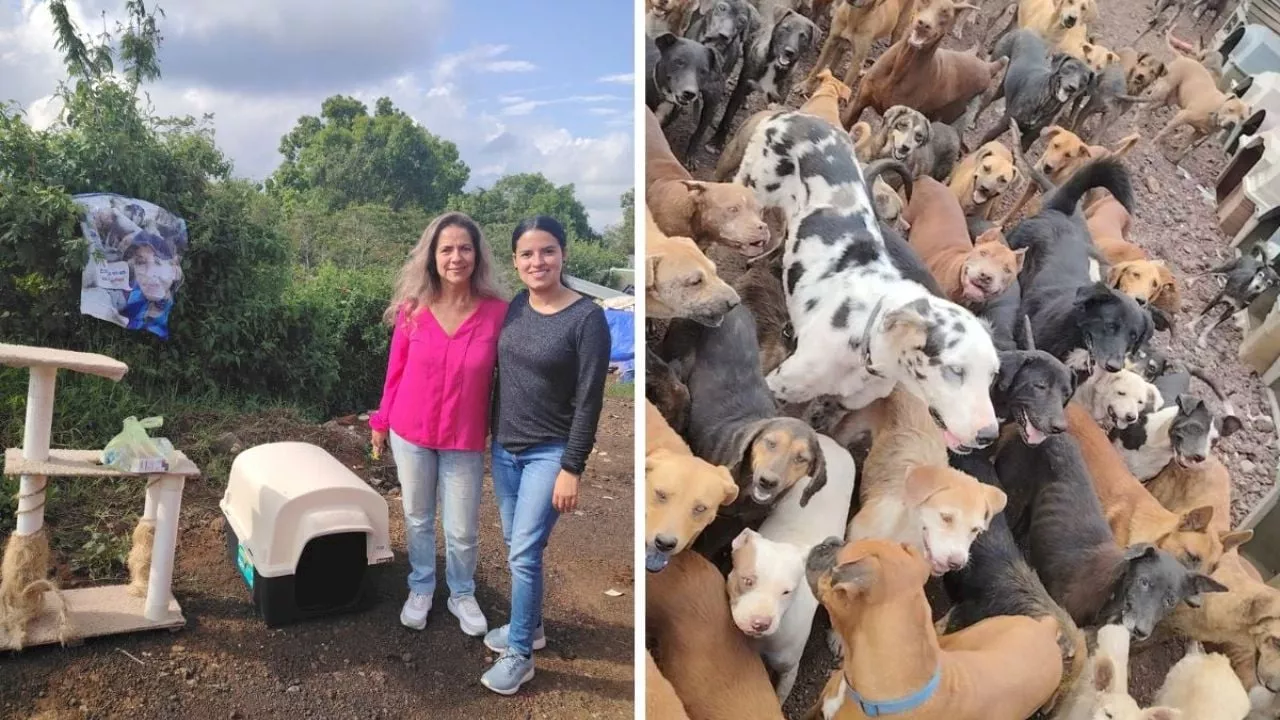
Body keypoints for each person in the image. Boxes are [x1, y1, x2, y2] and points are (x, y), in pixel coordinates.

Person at [480, 216, 612, 695]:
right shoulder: (515, 308)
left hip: (549, 454)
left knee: (522, 553)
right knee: (523, 549)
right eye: (528, 254)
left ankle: (520, 655)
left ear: (563, 254)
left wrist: (571, 468)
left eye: (548, 251)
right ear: (516, 262)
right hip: (506, 450)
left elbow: (590, 400)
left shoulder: (587, 318)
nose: (538, 262)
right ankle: (530, 629)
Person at [368, 212, 507, 638]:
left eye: (465, 248)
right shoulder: (413, 311)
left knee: (462, 526)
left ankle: (462, 593)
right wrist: (381, 421)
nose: (456, 257)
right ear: (432, 256)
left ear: (477, 255)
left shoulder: (499, 314)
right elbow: (395, 372)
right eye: (446, 248)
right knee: (417, 516)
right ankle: (422, 586)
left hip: (463, 437)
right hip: (410, 432)